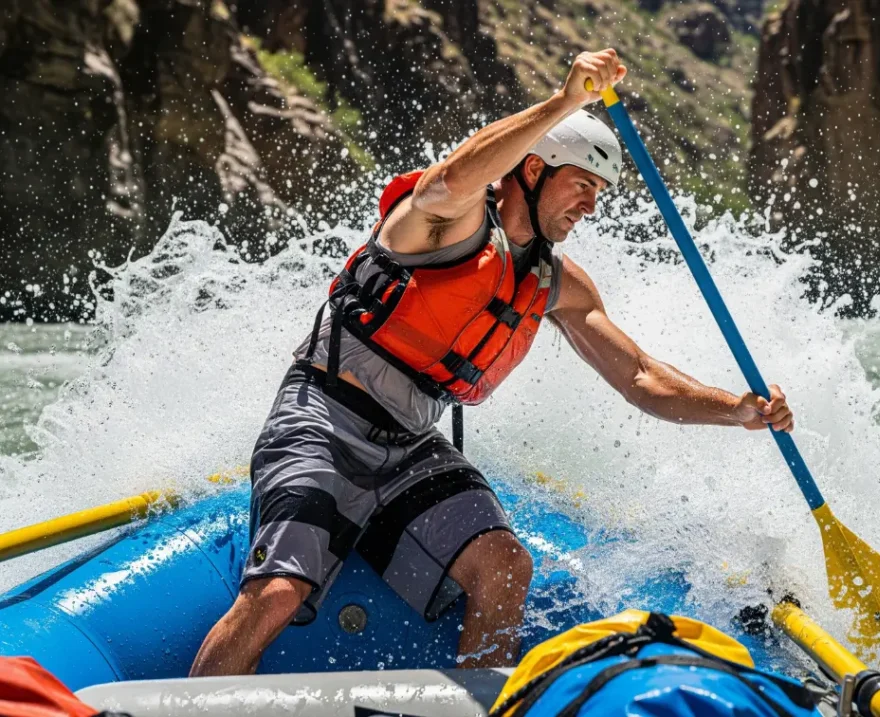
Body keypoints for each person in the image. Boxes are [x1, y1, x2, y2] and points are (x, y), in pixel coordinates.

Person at [190, 48, 795, 677]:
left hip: (409, 443)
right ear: (532, 170)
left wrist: (739, 410)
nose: (591, 204)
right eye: (582, 184)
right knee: (278, 593)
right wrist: (564, 102)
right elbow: (452, 177)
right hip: (322, 420)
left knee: (506, 564)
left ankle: (482, 701)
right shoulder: (440, 224)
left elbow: (640, 377)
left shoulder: (557, 282)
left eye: (600, 192)